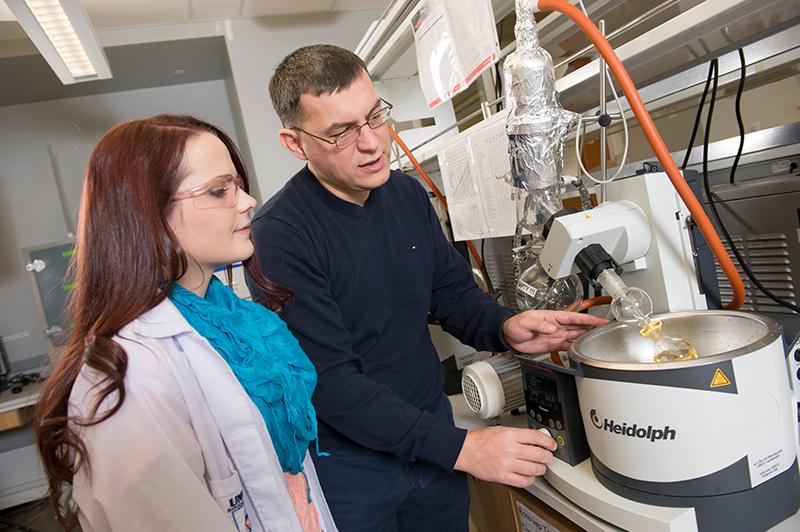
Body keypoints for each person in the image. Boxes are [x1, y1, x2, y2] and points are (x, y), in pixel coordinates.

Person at [248, 45, 607, 532]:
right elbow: (332, 384)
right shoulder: (279, 236)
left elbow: (452, 295)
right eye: (341, 133)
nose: (373, 143)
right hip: (353, 465)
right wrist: (462, 447)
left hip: (429, 437)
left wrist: (505, 326)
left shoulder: (405, 194)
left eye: (375, 116)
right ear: (295, 143)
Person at [33, 115, 337, 532]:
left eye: (238, 185)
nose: (248, 201)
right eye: (219, 190)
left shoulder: (241, 324)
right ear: (148, 216)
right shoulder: (132, 376)